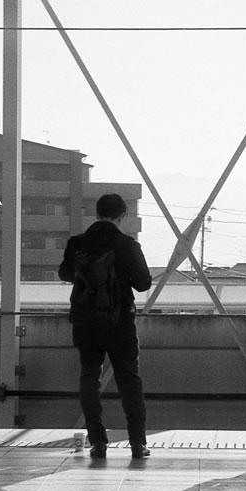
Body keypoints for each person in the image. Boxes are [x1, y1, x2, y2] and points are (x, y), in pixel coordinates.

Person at [58, 193, 153, 459]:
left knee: (89, 379)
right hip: (120, 321)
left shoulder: (77, 243)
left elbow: (65, 274)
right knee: (129, 381)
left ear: (97, 213)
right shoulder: (127, 244)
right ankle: (137, 443)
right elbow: (143, 283)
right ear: (122, 216)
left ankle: (98, 442)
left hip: (86, 322)